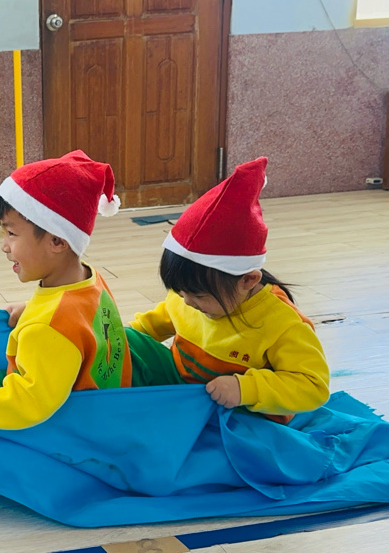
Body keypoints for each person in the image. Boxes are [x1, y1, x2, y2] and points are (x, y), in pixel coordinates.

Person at [0, 151, 178, 429]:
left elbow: (28, 404)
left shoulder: (47, 332)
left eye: (11, 233)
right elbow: (80, 321)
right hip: (104, 389)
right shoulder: (88, 279)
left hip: (76, 420)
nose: (4, 246)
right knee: (0, 378)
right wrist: (33, 311)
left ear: (57, 241)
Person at [130, 156, 330, 423]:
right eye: (180, 292)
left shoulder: (282, 324)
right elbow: (149, 327)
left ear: (248, 280)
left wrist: (244, 389)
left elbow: (314, 386)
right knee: (125, 341)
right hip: (188, 389)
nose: (186, 302)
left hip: (242, 415)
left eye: (199, 296)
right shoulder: (188, 294)